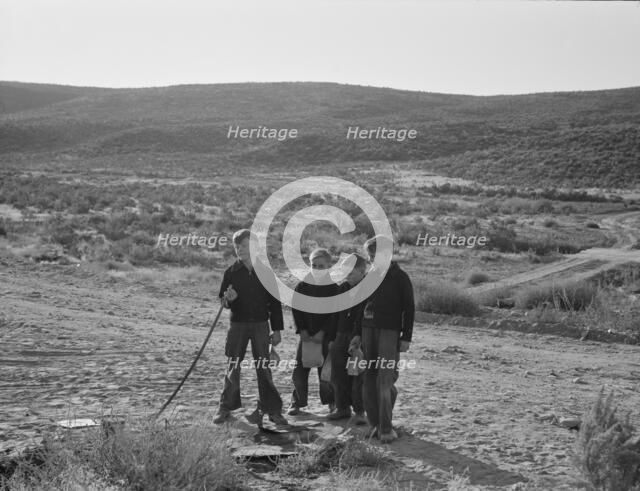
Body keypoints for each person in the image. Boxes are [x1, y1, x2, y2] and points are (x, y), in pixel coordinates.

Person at [213, 229, 288, 426]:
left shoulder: (266, 273)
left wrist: (277, 330)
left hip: (261, 326)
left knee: (263, 368)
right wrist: (228, 300)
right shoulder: (230, 273)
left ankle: (272, 410)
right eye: (237, 246)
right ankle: (225, 407)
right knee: (233, 366)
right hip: (237, 325)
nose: (240, 249)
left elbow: (275, 303)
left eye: (244, 246)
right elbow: (223, 300)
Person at [349, 235, 415, 443]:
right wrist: (357, 334)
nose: (372, 260)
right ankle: (375, 424)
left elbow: (409, 308)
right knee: (368, 379)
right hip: (368, 331)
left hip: (389, 332)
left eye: (375, 255)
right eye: (370, 256)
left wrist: (406, 337)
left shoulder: (400, 277)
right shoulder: (369, 277)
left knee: (385, 378)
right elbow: (360, 307)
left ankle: (386, 428)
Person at [288, 248, 338, 415]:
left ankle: (331, 402)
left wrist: (323, 332)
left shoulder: (334, 289)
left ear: (328, 266)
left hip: (324, 336)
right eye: (313, 265)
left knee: (325, 371)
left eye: (321, 266)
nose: (316, 268)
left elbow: (334, 314)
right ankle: (297, 402)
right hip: (306, 335)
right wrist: (301, 330)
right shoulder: (302, 287)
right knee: (300, 370)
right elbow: (297, 310)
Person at [327, 253, 368, 424]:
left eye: (350, 273)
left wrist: (358, 337)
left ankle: (359, 411)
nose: (347, 276)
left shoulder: (369, 289)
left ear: (362, 270)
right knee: (337, 373)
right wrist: (331, 338)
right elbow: (334, 315)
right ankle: (342, 408)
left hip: (358, 337)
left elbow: (365, 316)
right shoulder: (342, 288)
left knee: (357, 375)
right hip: (340, 335)